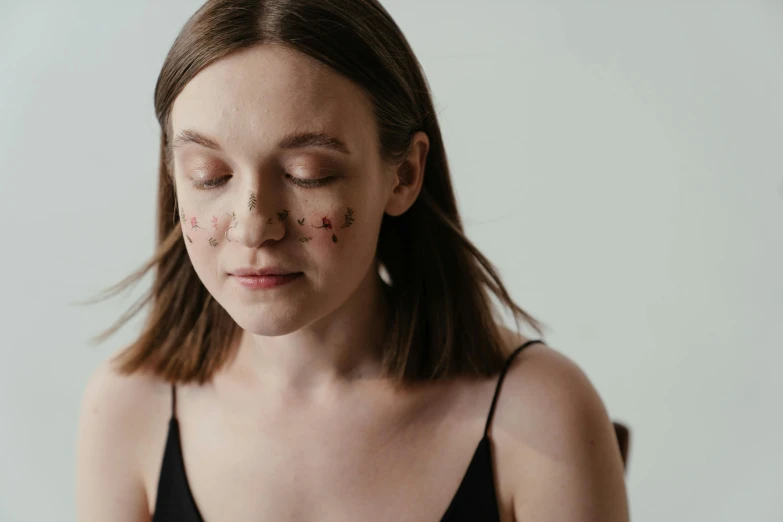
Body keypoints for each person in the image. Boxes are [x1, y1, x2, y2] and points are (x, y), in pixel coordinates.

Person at [75, 0, 630, 520]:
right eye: (209, 177)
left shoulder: (537, 415)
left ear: (404, 175)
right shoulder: (128, 410)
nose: (252, 224)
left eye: (307, 175)